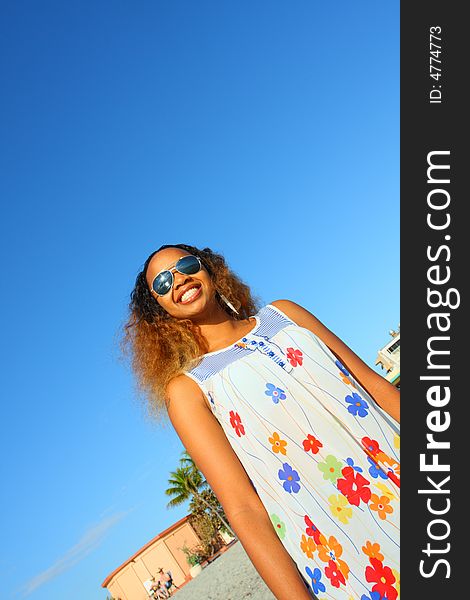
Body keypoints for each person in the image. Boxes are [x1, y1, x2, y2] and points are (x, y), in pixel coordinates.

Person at [123, 244, 400, 600]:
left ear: (208, 269)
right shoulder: (189, 390)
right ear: (157, 307)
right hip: (346, 542)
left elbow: (374, 386)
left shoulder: (284, 315)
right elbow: (243, 506)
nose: (178, 280)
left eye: (185, 266)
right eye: (162, 282)